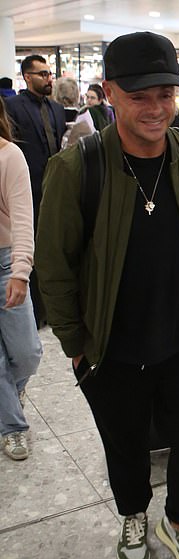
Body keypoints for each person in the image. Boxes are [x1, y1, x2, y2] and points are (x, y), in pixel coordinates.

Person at [35, 31, 179, 559]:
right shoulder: (78, 168)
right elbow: (55, 267)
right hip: (112, 347)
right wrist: (77, 348)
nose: (155, 107)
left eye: (166, 93)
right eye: (140, 94)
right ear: (109, 94)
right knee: (124, 443)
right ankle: (133, 517)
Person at [4, 55, 66, 329]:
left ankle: (52, 309)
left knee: (54, 248)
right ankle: (36, 310)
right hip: (26, 188)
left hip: (55, 189)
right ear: (27, 77)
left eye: (49, 74)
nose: (48, 78)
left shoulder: (57, 109)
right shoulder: (13, 106)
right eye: (42, 74)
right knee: (32, 246)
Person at [0, 97, 43, 460]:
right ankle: (12, 426)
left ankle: (11, 394)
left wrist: (20, 271)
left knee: (27, 353)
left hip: (6, 262)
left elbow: (24, 218)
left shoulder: (10, 155)